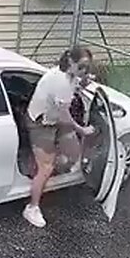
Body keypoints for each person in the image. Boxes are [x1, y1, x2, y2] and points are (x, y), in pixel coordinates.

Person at [22, 46, 96, 228]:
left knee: (73, 153)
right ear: (71, 62)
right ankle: (32, 208)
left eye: (87, 68)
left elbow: (72, 89)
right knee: (46, 167)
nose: (83, 72)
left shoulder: (69, 75)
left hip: (54, 119)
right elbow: (65, 115)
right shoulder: (60, 81)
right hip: (41, 124)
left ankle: (51, 165)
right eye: (81, 67)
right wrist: (82, 130)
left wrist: (82, 81)